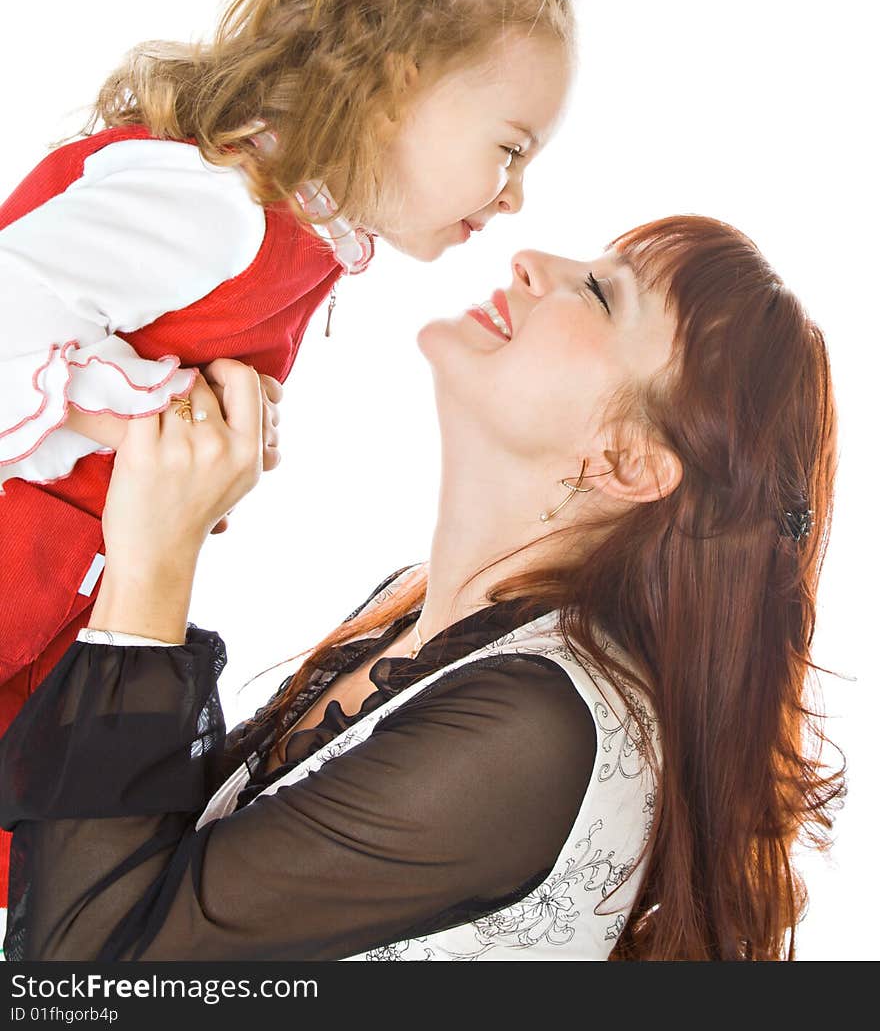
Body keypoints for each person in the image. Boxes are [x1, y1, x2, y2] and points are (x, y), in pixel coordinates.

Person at [0, 0, 585, 900]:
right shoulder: (214, 205)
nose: (514, 200)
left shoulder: (291, 239)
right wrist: (146, 418)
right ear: (398, 83)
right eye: (508, 148)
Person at [0, 215, 844, 961]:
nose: (530, 260)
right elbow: (138, 876)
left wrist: (154, 560)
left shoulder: (538, 728)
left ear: (628, 461)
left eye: (597, 292)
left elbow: (83, 974)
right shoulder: (415, 614)